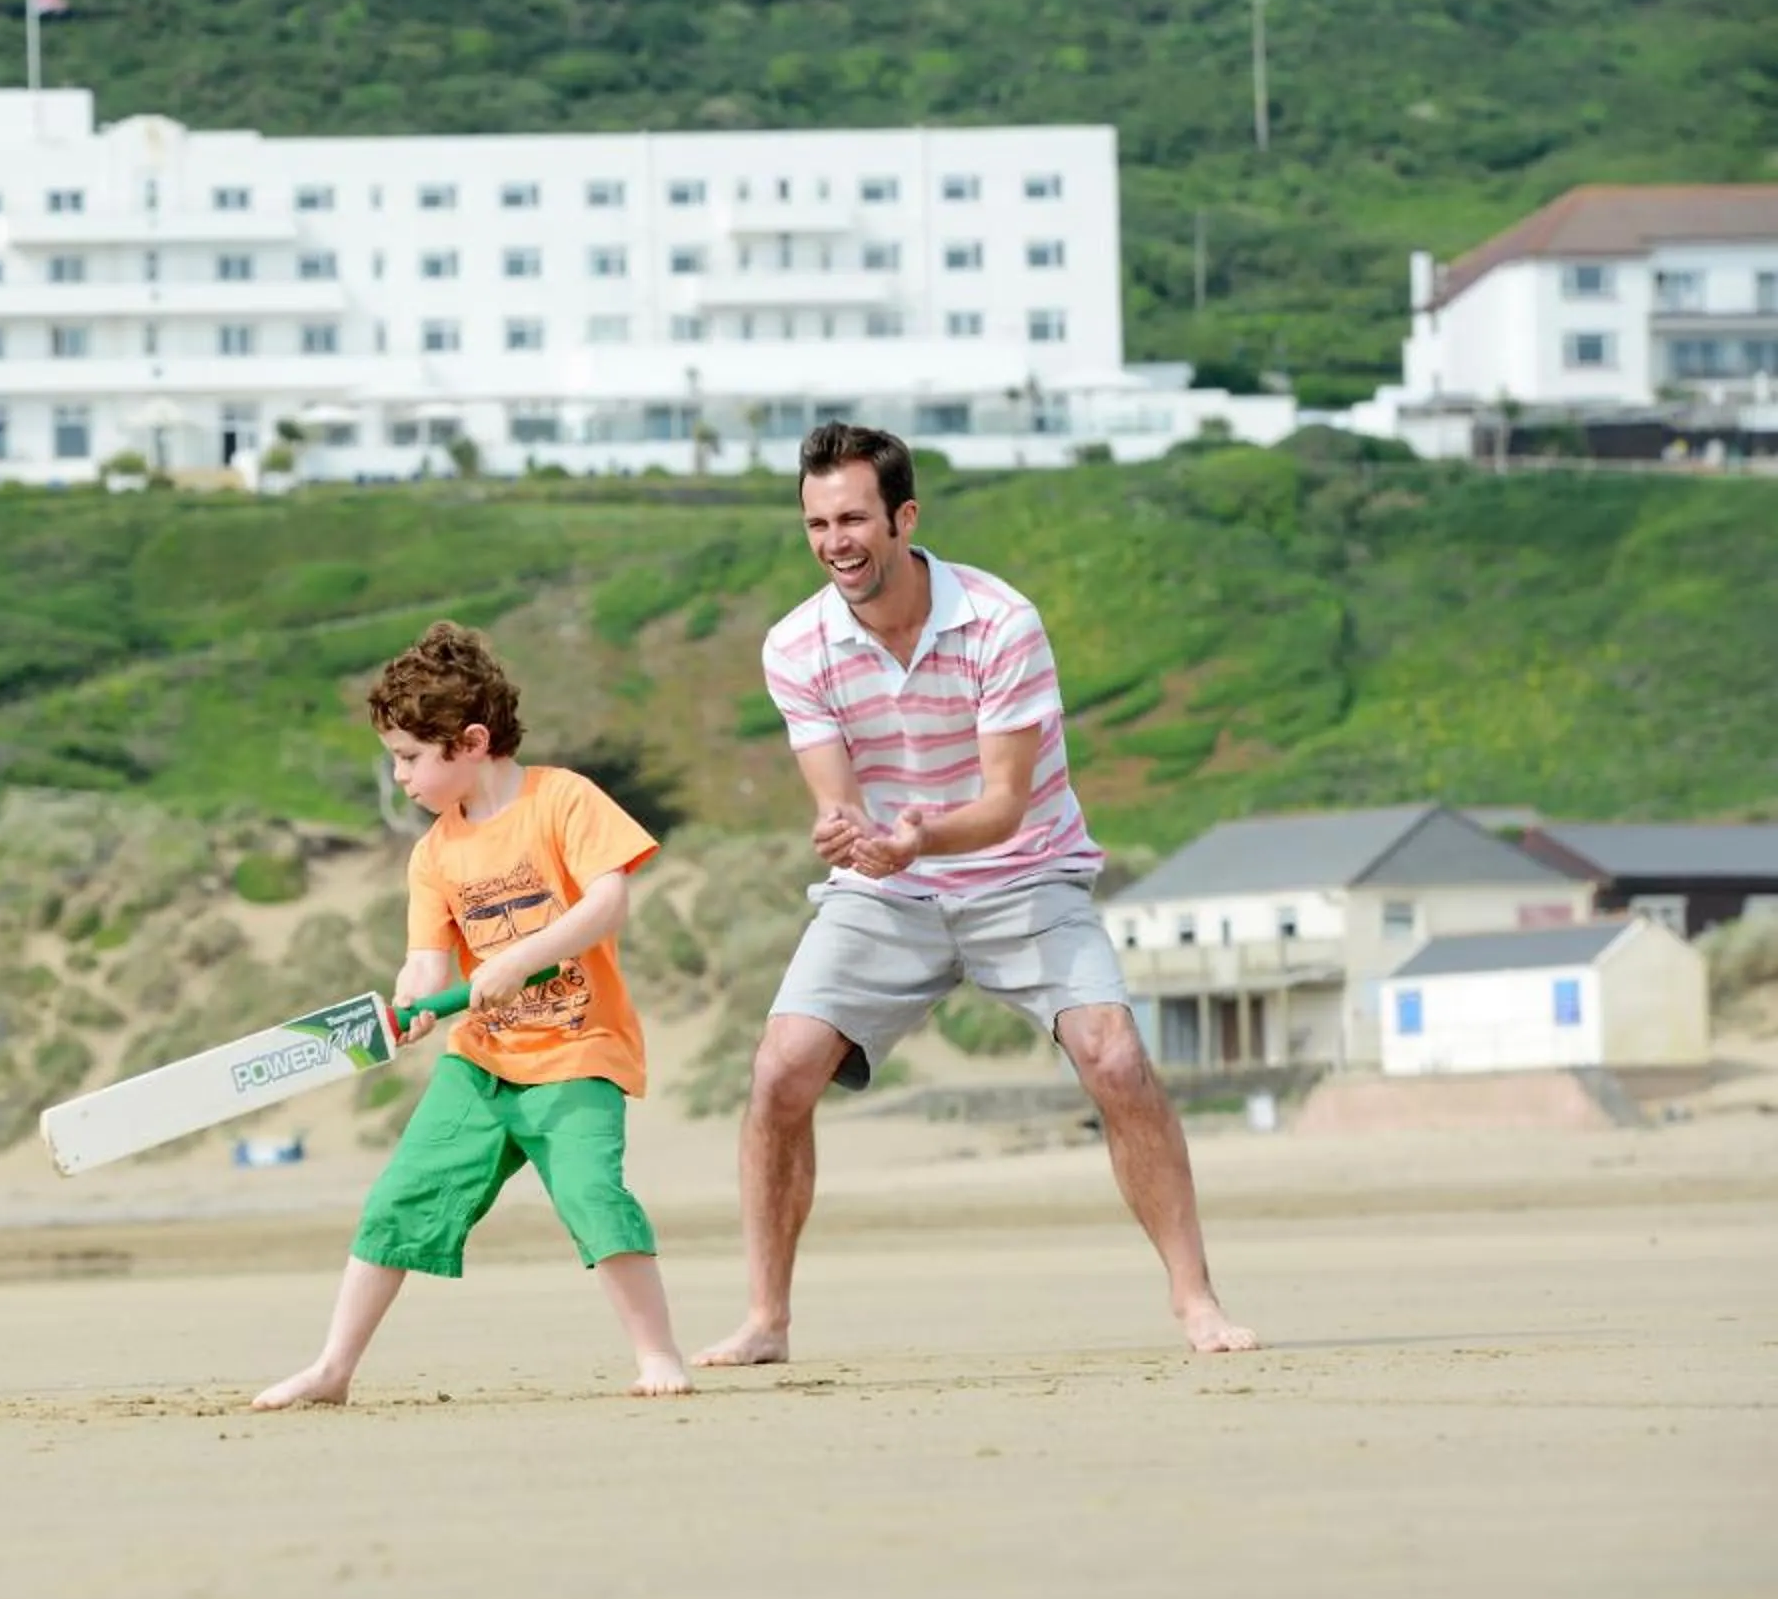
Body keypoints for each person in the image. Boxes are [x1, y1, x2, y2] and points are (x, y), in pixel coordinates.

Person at [696, 423, 1259, 1366]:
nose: (835, 541)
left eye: (854, 519)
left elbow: (1002, 805)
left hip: (1023, 873)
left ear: (904, 518)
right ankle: (766, 1321)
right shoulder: (796, 644)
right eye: (815, 522)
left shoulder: (1002, 621)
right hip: (884, 893)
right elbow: (835, 795)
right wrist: (845, 828)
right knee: (779, 1071)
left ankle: (1196, 1300)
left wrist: (917, 833)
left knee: (1115, 1059)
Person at [255, 622, 694, 1409]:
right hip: (483, 1061)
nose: (400, 777)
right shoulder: (434, 854)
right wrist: (415, 1002)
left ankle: (658, 1354)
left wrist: (520, 958)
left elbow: (608, 901)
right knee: (398, 1199)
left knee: (594, 1194)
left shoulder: (561, 800)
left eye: (410, 757)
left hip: (577, 1048)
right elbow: (428, 961)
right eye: (395, 757)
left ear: (471, 741)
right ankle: (333, 1369)